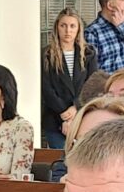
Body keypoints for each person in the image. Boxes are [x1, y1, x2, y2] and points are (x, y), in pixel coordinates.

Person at [39, 8, 98, 150]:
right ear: (57, 28)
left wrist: (76, 107)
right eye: (63, 26)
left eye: (72, 26)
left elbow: (93, 85)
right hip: (55, 118)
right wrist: (64, 114)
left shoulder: (88, 53)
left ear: (78, 29)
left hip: (82, 116)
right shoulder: (46, 54)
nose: (68, 31)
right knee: (61, 158)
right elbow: (46, 88)